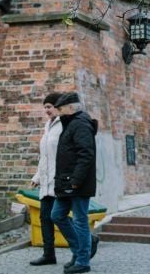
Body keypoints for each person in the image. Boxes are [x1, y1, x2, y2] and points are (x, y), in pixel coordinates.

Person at [50, 91, 99, 274]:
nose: (59, 113)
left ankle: (82, 261)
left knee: (79, 220)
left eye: (61, 109)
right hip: (66, 182)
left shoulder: (80, 124)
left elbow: (86, 154)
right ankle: (82, 248)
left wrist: (76, 181)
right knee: (57, 215)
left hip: (77, 183)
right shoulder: (70, 123)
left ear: (71, 108)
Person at [29, 92, 63, 266]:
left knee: (59, 216)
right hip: (46, 180)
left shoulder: (64, 125)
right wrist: (37, 177)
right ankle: (49, 254)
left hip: (60, 180)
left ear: (57, 106)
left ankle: (87, 240)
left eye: (49, 107)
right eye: (45, 108)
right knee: (45, 217)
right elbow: (45, 156)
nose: (46, 111)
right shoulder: (48, 126)